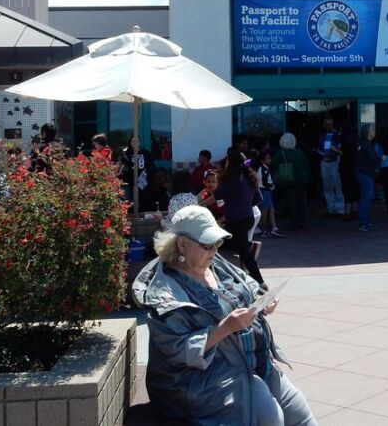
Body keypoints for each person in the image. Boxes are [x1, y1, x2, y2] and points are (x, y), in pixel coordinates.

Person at [132, 206, 317, 425]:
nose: (215, 250)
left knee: (302, 417)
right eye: (208, 245)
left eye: (218, 243)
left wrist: (262, 298)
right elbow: (179, 351)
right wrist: (225, 328)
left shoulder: (213, 262)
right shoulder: (164, 293)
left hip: (255, 361)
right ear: (181, 244)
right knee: (272, 416)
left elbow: (246, 283)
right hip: (208, 381)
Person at [217, 148, 266, 286]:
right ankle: (249, 251)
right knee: (239, 247)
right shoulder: (249, 177)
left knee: (223, 246)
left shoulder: (228, 179)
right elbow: (258, 199)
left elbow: (218, 195)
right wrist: (244, 202)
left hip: (236, 220)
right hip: (248, 218)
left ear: (230, 163)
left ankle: (259, 281)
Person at [271, 133, 310, 231]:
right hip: (301, 180)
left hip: (287, 180)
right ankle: (303, 221)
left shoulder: (281, 153)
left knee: (291, 201)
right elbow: (307, 165)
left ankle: (293, 223)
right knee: (301, 200)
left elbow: (273, 164)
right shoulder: (300, 152)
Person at [317, 117, 345, 217]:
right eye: (327, 124)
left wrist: (336, 151)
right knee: (327, 186)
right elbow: (319, 147)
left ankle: (340, 209)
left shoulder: (338, 135)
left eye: (330, 124)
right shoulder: (323, 136)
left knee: (337, 186)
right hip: (325, 161)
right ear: (324, 125)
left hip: (334, 162)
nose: (329, 126)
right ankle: (331, 208)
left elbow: (342, 151)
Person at [356, 123, 381, 232]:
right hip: (366, 174)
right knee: (366, 199)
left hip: (362, 173)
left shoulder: (362, 143)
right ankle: (364, 223)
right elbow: (372, 158)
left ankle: (365, 222)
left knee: (365, 198)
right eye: (372, 129)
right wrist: (380, 159)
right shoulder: (366, 144)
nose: (374, 131)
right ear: (367, 132)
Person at [257, 150, 283, 238]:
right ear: (262, 160)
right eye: (267, 158)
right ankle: (264, 230)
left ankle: (274, 228)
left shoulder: (265, 168)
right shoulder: (263, 169)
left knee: (271, 209)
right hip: (265, 191)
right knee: (265, 211)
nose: (269, 160)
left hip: (267, 191)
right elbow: (264, 182)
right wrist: (271, 186)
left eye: (269, 158)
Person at [339, 124, 359, 221]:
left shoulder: (344, 142)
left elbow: (343, 153)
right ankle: (354, 210)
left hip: (345, 167)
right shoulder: (356, 142)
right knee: (354, 189)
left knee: (346, 190)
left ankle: (347, 212)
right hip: (355, 167)